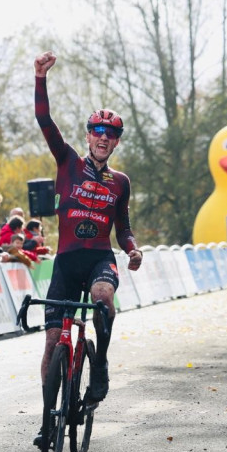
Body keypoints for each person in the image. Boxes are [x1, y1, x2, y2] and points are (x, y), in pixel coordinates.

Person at [34, 50, 142, 429]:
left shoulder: (121, 182)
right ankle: (48, 422)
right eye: (97, 131)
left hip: (99, 259)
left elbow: (123, 227)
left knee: (103, 298)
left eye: (109, 134)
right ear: (87, 136)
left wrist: (131, 249)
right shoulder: (68, 163)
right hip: (66, 261)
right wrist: (40, 78)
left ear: (115, 144)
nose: (102, 138)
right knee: (51, 344)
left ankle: (100, 365)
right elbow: (44, 120)